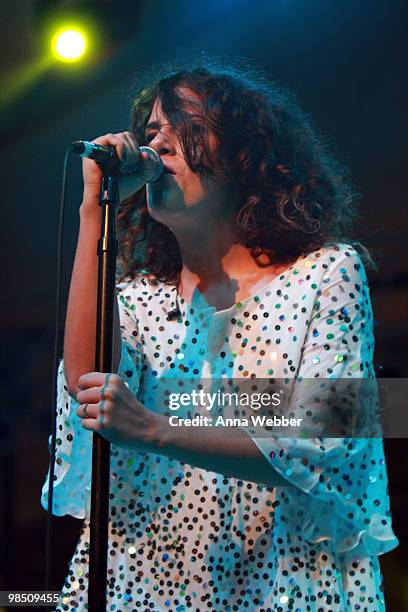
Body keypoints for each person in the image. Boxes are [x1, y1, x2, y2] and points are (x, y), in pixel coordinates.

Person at [42, 65, 398, 611]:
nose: (155, 140)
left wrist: (158, 431)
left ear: (244, 156)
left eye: (181, 125)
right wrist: (96, 212)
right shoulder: (137, 300)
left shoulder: (327, 274)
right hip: (143, 585)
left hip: (279, 583)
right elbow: (87, 384)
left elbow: (322, 436)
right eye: (152, 127)